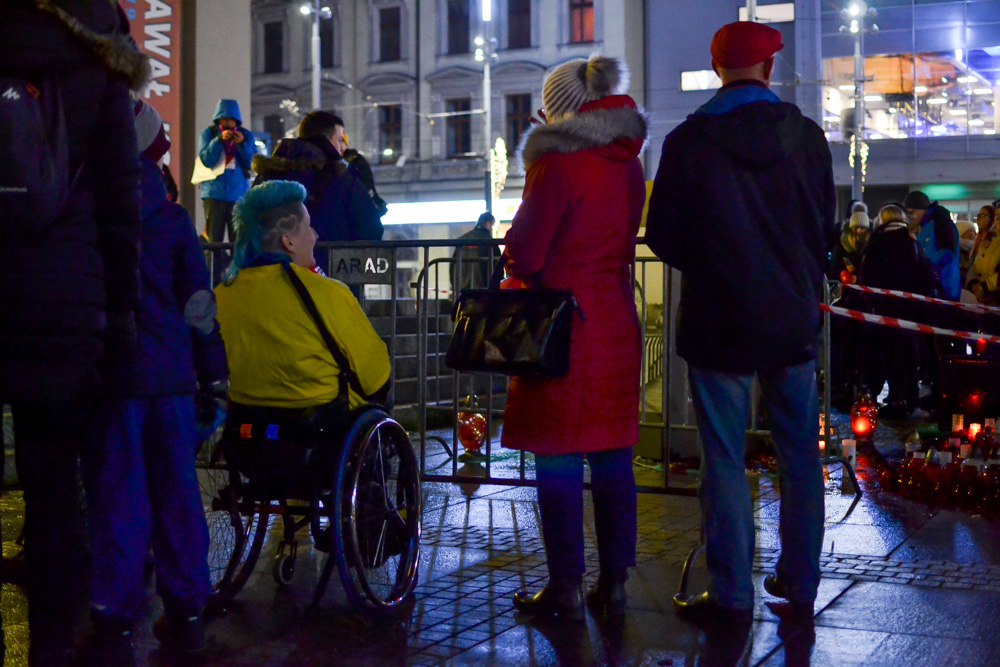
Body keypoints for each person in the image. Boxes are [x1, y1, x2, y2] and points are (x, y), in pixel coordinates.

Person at [645, 21, 835, 626]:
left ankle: (731, 593)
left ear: (716, 69)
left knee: (723, 457)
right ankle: (800, 583)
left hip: (719, 319)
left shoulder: (688, 141)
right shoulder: (807, 138)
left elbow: (664, 237)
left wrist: (718, 262)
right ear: (770, 70)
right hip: (792, 321)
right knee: (799, 454)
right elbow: (824, 231)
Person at [0, 2, 146, 663]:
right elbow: (122, 214)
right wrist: (120, 319)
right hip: (64, 305)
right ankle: (51, 647)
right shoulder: (99, 81)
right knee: (54, 489)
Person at [502, 54, 647, 621]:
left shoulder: (557, 163)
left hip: (560, 328)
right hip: (613, 318)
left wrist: (513, 248)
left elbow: (529, 249)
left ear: (558, 110)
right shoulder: (626, 162)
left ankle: (564, 584)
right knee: (613, 455)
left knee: (558, 458)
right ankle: (615, 580)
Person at [214, 180, 389, 412]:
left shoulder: (222, 296)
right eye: (308, 227)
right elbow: (375, 375)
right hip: (320, 424)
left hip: (246, 420)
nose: (315, 235)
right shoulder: (328, 292)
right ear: (289, 241)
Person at [252, 110, 383, 272]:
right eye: (339, 140)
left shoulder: (267, 175)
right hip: (333, 277)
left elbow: (246, 223)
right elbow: (371, 229)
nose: (343, 147)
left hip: (274, 276)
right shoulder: (340, 178)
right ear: (326, 141)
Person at [856, 204, 937, 417]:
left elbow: (867, 279)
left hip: (883, 312)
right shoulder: (913, 244)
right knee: (909, 358)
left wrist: (870, 302)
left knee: (886, 358)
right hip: (910, 313)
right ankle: (909, 401)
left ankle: (891, 401)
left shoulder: (876, 244)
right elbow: (926, 277)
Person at [198, 99, 255, 245]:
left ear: (237, 121)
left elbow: (252, 163)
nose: (229, 124)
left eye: (232, 120)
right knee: (213, 241)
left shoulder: (246, 135)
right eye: (225, 119)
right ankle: (213, 268)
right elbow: (206, 160)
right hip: (213, 194)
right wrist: (218, 141)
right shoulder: (209, 133)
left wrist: (242, 144)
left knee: (238, 242)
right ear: (218, 120)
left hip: (238, 195)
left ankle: (236, 268)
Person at [904, 190, 960, 300]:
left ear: (921, 209)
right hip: (932, 287)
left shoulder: (941, 223)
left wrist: (924, 263)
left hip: (945, 288)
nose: (909, 217)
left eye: (911, 212)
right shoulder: (923, 226)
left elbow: (948, 253)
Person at [452, 212, 496, 294]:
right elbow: (497, 266)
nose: (492, 229)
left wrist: (455, 286)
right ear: (487, 223)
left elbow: (453, 266)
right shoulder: (490, 242)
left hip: (463, 290)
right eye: (492, 226)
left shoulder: (462, 240)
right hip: (483, 291)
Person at [965, 202, 1000, 306]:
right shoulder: (990, 243)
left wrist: (983, 287)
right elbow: (976, 265)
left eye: (983, 215)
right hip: (987, 301)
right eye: (997, 215)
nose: (998, 219)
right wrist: (974, 284)